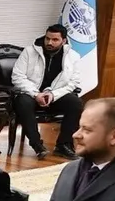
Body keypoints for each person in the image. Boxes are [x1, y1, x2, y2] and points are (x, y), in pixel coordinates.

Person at [10, 24, 84, 159]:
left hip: (55, 95)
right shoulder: (29, 52)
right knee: (22, 102)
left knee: (75, 103)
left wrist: (53, 95)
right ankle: (37, 145)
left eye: (55, 40)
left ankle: (63, 145)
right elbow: (17, 76)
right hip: (31, 94)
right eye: (47, 38)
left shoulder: (73, 56)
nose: (49, 42)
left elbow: (73, 83)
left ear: (64, 41)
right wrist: (36, 94)